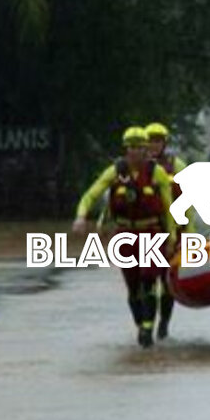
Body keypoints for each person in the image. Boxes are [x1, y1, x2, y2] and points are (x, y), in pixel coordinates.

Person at [73, 126, 177, 347]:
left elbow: (169, 209)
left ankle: (149, 328)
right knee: (132, 286)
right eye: (132, 148)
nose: (137, 152)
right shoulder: (116, 171)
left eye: (141, 147)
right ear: (126, 149)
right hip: (125, 235)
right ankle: (141, 324)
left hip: (151, 233)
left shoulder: (156, 172)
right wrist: (81, 217)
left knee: (149, 279)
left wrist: (171, 238)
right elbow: (91, 195)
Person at [146, 122, 188, 340]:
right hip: (147, 230)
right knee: (146, 281)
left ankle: (163, 325)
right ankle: (147, 325)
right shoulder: (136, 167)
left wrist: (188, 235)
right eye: (150, 141)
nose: (153, 145)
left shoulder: (177, 165)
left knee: (166, 281)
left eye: (157, 141)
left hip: (173, 231)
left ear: (164, 143)